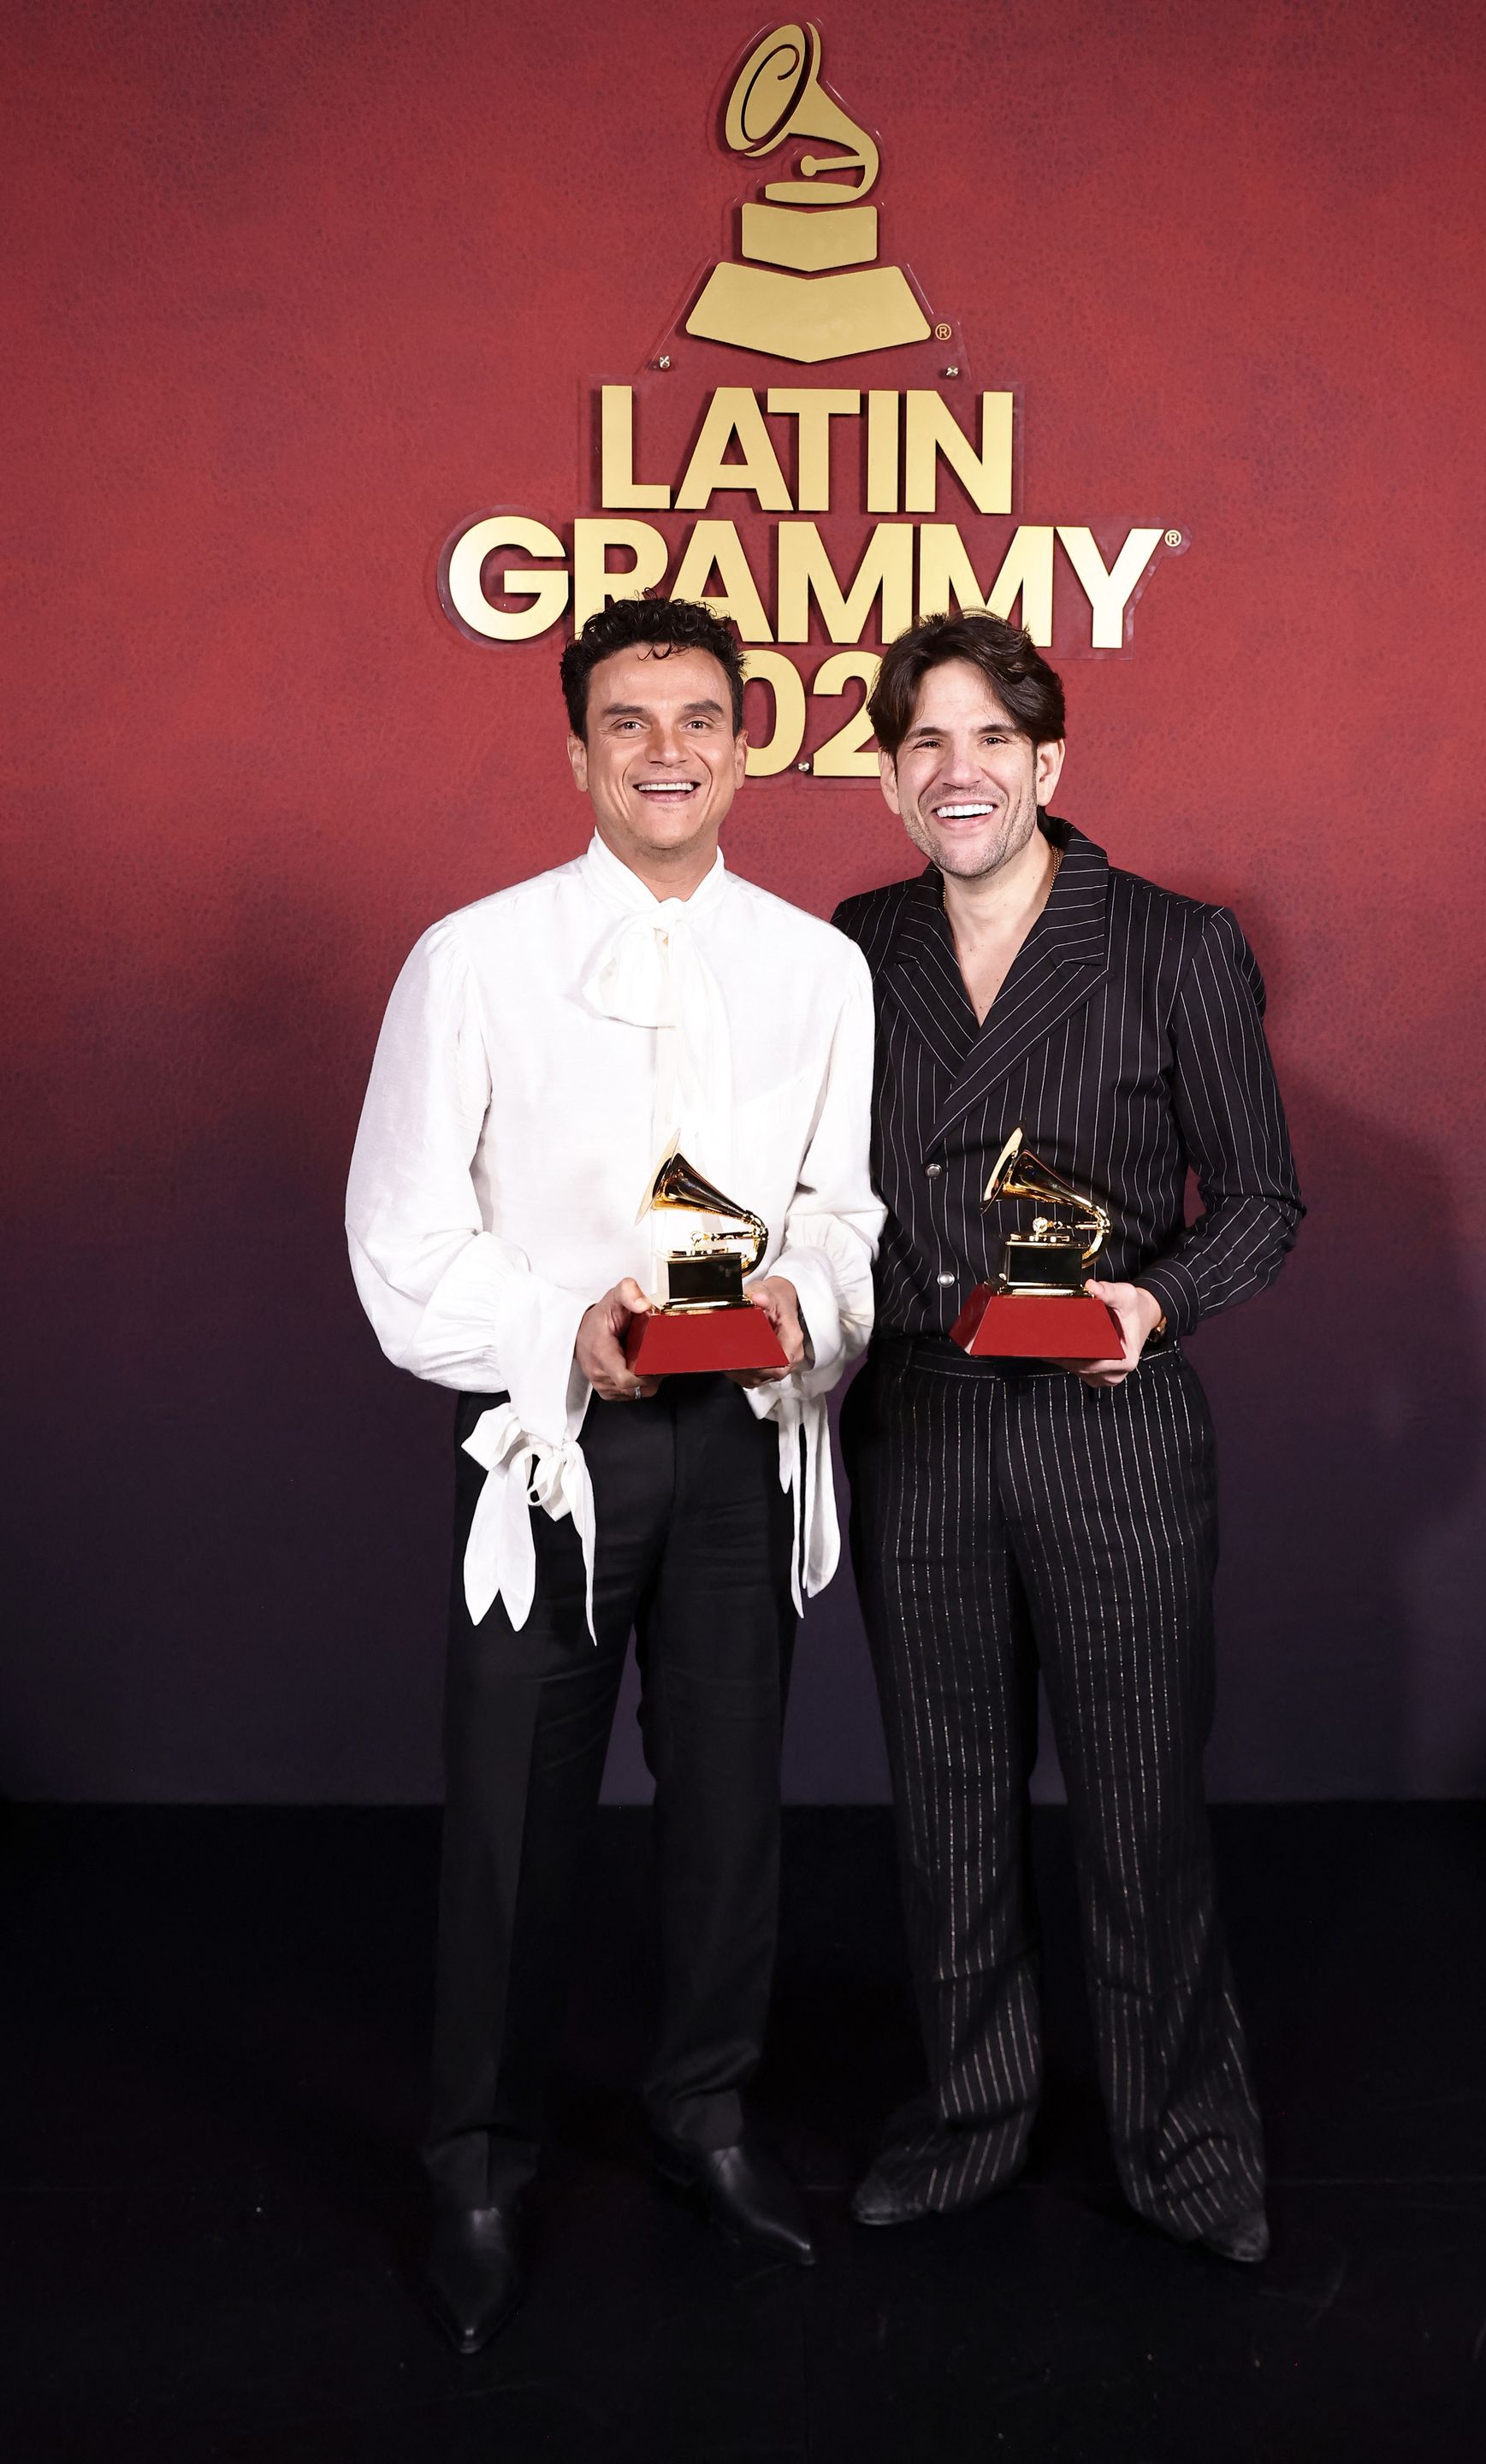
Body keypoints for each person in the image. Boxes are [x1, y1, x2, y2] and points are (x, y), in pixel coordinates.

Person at [346, 595, 881, 2352]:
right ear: (574, 749)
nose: (668, 750)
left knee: (731, 1804)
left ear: (750, 741)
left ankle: (706, 2116)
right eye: (630, 720)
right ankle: (484, 2161)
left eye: (701, 717)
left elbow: (839, 1202)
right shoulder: (471, 959)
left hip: (743, 1439)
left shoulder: (821, 967)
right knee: (512, 1807)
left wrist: (811, 1294)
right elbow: (403, 1236)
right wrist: (562, 1327)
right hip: (548, 1440)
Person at [832, 612, 1302, 2261]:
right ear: (890, 781)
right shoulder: (853, 941)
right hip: (921, 1429)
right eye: (924, 745)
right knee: (950, 1802)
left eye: (989, 742)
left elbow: (1260, 1203)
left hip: (1111, 1436)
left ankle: (1181, 2140)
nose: (958, 773)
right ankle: (972, 2114)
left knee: (1138, 1807)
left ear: (1050, 765)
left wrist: (1144, 1311)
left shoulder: (1172, 941)